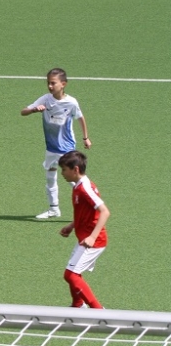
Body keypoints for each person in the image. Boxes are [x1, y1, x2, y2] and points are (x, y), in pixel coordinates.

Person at [20, 68, 90, 219]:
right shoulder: (46, 99)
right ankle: (54, 209)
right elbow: (23, 111)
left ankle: (91, 205)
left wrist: (85, 138)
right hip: (51, 148)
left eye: (53, 83)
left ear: (63, 84)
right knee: (50, 177)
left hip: (66, 148)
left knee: (74, 179)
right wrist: (34, 110)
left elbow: (80, 118)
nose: (50, 86)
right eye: (48, 83)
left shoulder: (71, 102)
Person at [57, 150, 109, 309]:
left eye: (64, 169)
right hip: (84, 238)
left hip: (93, 241)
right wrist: (72, 225)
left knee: (71, 275)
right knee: (73, 273)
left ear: (75, 169)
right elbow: (87, 213)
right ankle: (77, 305)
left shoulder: (85, 188)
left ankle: (98, 311)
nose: (62, 173)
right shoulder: (79, 186)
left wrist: (92, 237)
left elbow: (104, 212)